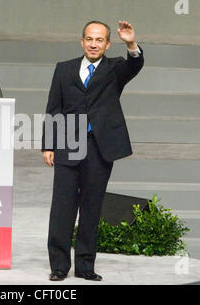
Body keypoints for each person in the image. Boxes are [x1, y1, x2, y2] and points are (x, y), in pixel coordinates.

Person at [42, 20, 144, 281]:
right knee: (62, 208)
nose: (94, 44)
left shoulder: (115, 69)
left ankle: (85, 266)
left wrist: (131, 43)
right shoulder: (64, 69)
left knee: (91, 208)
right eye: (89, 39)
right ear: (82, 41)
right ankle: (59, 265)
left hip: (99, 148)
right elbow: (54, 107)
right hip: (67, 146)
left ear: (107, 44)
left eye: (99, 40)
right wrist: (49, 144)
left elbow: (135, 64)